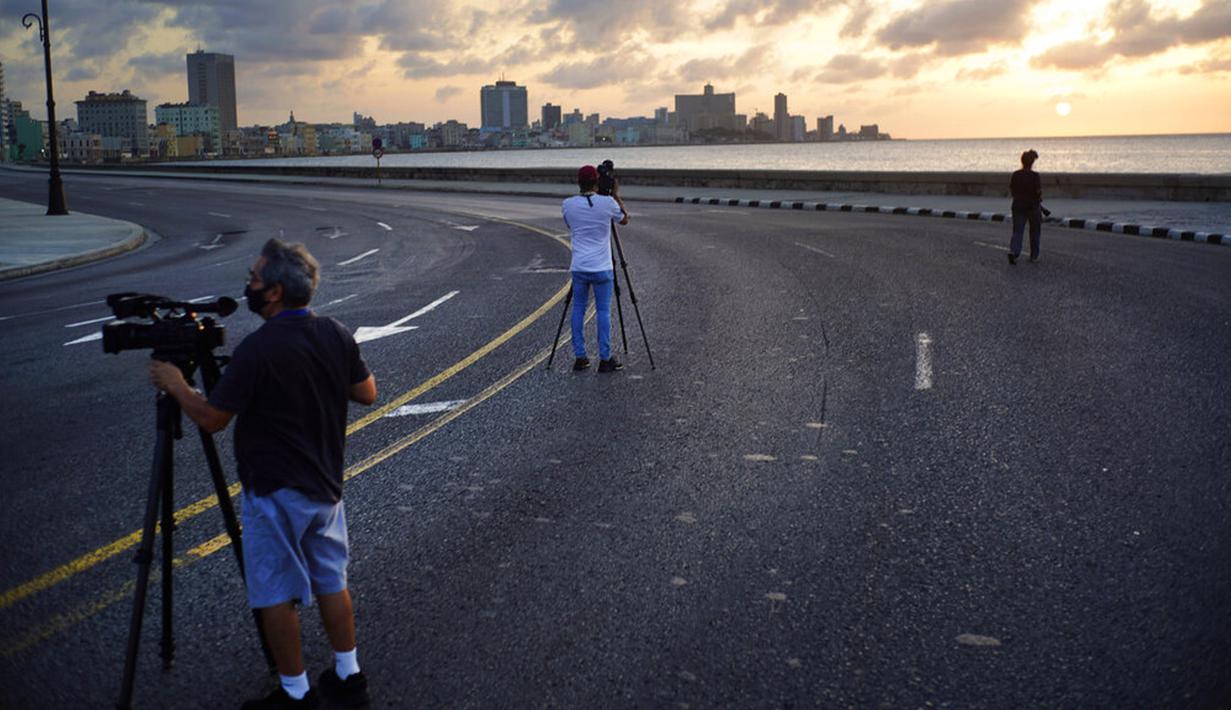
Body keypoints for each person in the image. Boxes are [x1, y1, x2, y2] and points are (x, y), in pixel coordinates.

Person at [149, 239, 377, 709]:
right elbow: (367, 393)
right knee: (331, 580)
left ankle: (295, 693)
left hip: (274, 491)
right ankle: (349, 675)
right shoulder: (335, 332)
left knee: (275, 591)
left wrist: (177, 386)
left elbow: (213, 419)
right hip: (326, 487)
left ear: (273, 292)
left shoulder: (257, 349)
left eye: (253, 279)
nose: (248, 286)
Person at [561, 164, 630, 373]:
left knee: (578, 309)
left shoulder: (568, 205)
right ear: (597, 182)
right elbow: (624, 220)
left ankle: (580, 357)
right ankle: (605, 358)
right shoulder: (607, 203)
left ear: (578, 183)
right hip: (602, 267)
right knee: (603, 311)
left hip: (580, 266)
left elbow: (571, 225)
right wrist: (615, 195)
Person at [1008, 149, 1043, 265]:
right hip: (1033, 206)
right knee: (1035, 231)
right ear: (1032, 162)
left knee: (1017, 231)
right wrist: (1039, 197)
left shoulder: (1016, 175)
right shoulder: (1035, 176)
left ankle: (1014, 251)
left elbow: (1012, 190)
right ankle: (1034, 255)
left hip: (1018, 205)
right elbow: (1038, 192)